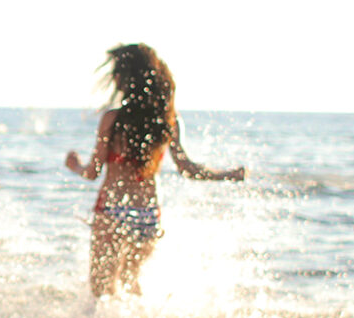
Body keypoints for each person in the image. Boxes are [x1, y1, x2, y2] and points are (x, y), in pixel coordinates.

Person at [65, 43, 244, 296]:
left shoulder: (112, 119)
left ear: (125, 79)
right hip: (147, 214)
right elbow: (188, 168)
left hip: (112, 210)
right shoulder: (168, 121)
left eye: (117, 72)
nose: (114, 77)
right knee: (131, 283)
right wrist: (227, 174)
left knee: (102, 291)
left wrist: (74, 166)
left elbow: (93, 172)